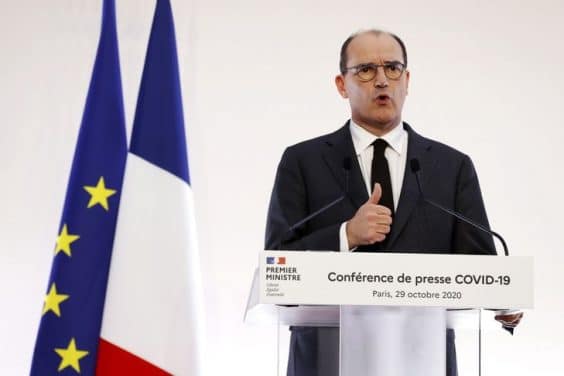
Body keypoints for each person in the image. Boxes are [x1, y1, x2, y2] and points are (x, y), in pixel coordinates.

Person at [264, 29, 522, 376]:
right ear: (342, 84)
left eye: (393, 68)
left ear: (407, 80)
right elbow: (277, 264)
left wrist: (504, 304)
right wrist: (346, 235)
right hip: (327, 359)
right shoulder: (302, 161)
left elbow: (481, 267)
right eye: (366, 70)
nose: (382, 80)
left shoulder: (451, 166)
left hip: (424, 359)